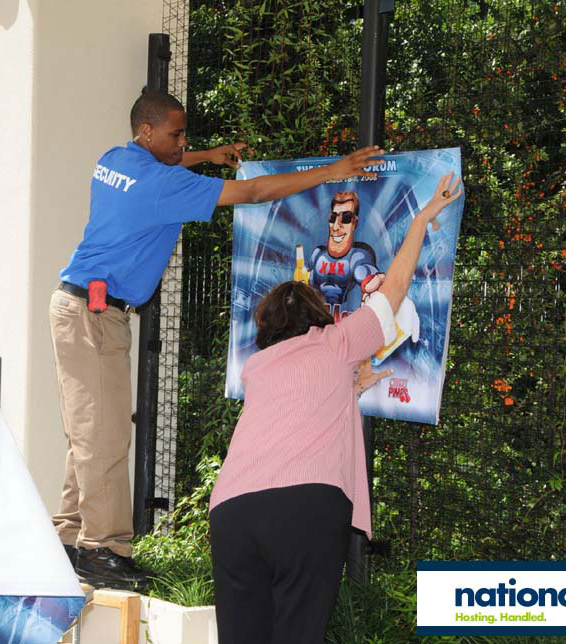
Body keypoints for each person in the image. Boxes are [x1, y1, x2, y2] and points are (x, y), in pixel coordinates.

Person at [50, 88, 385, 588]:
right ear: (147, 132)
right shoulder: (163, 186)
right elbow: (252, 194)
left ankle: (70, 540)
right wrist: (332, 171)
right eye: (176, 134)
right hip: (96, 318)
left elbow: (173, 159)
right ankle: (103, 549)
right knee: (105, 435)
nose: (183, 142)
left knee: (90, 430)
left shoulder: (116, 159)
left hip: (79, 308)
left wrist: (206, 156)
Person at [208, 173, 462, 644]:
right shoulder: (338, 342)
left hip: (231, 513)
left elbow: (298, 407)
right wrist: (422, 219)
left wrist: (348, 388)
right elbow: (397, 287)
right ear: (320, 317)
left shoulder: (257, 368)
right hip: (306, 509)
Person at [301, 190, 383, 318]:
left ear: (354, 223)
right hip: (318, 328)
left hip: (345, 330)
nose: (336, 226)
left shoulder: (358, 258)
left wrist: (376, 289)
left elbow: (373, 281)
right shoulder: (317, 255)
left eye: (345, 218)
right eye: (333, 218)